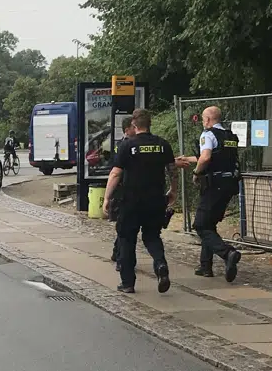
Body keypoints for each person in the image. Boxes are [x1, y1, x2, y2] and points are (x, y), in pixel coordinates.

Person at [102, 109, 176, 294]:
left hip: (131, 200)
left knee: (127, 239)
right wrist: (173, 190)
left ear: (134, 124)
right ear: (150, 123)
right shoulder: (162, 144)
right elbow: (172, 169)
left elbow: (116, 173)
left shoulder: (127, 145)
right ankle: (160, 264)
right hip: (156, 199)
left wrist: (107, 197)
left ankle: (128, 283)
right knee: (152, 236)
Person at [177, 106, 244, 282]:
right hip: (229, 184)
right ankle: (205, 266)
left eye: (202, 119)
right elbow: (216, 157)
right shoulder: (229, 136)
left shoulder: (207, 134)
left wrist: (196, 173)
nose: (202, 122)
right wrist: (188, 159)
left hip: (214, 185)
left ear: (207, 120)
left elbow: (206, 157)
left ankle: (228, 253)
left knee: (200, 225)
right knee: (209, 224)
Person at [109, 118, 137, 270]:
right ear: (127, 130)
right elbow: (116, 170)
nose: (136, 129)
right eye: (133, 127)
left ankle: (117, 253)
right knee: (123, 226)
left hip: (128, 188)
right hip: (123, 189)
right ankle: (121, 258)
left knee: (124, 226)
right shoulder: (123, 146)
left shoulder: (126, 144)